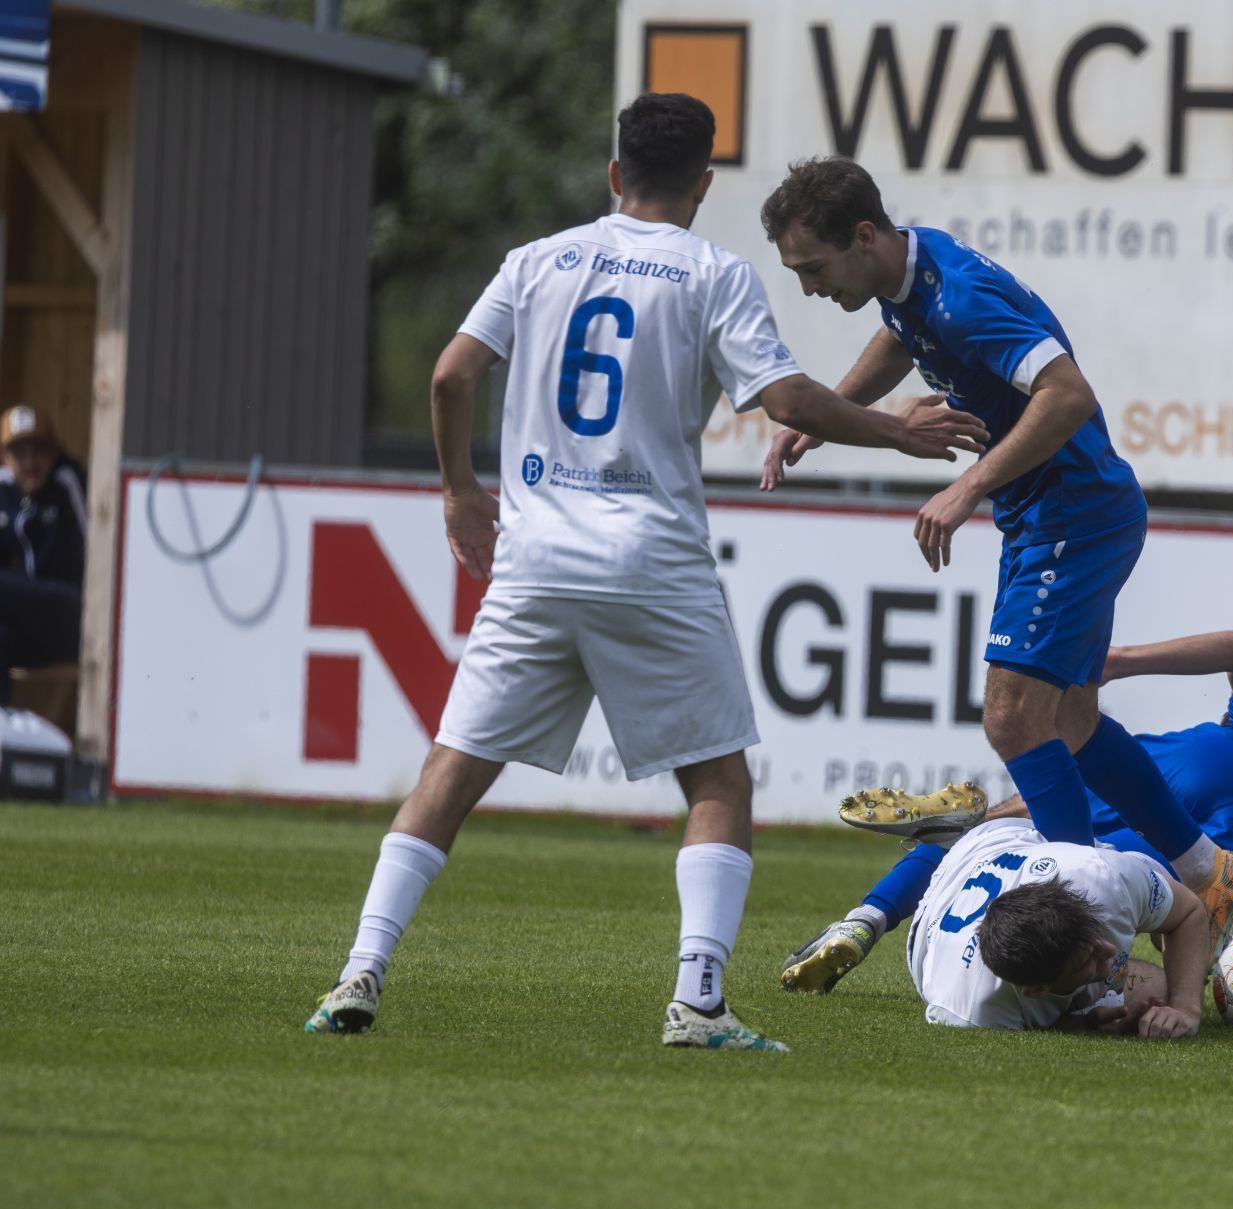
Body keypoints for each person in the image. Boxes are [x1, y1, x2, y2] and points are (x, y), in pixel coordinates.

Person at [303, 95, 988, 1050]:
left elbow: (451, 374)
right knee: (717, 783)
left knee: (449, 773)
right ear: (703, 183)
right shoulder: (711, 272)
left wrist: (460, 492)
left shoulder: (534, 261)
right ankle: (698, 1002)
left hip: (534, 562)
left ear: (615, 174)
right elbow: (787, 398)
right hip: (650, 560)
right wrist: (893, 430)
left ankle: (360, 970)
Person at [754, 157, 1233, 939]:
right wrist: (827, 413)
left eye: (813, 268)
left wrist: (968, 486)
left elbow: (1069, 394)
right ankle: (1208, 870)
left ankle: (1086, 923)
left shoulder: (959, 299)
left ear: (864, 236)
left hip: (1073, 512)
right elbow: (901, 336)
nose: (809, 287)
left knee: (1012, 718)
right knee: (1073, 722)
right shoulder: (912, 269)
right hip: (1055, 511)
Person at [782, 630, 1233, 1017]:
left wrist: (1121, 659)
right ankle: (978, 829)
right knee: (1065, 875)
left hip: (1202, 766)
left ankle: (875, 909)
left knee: (1027, 835)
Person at [892, 815, 1213, 1034]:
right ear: (1036, 990)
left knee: (1165, 984)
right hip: (940, 909)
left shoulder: (1105, 879)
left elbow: (1189, 912)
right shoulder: (972, 1009)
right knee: (1139, 997)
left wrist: (1186, 1009)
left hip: (1002, 840)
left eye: (1093, 938)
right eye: (1087, 960)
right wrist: (1080, 1024)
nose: (1107, 950)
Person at [0, 405, 88, 709]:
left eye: (38, 451)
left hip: (76, 616)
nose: (30, 462)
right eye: (19, 453)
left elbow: (99, 549)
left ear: (54, 453)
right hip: (33, 623)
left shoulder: (67, 482)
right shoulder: (4, 491)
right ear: (5, 458)